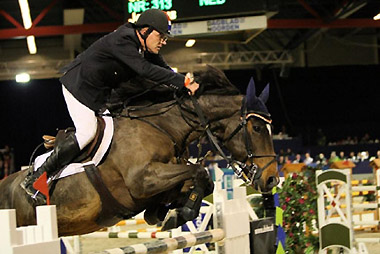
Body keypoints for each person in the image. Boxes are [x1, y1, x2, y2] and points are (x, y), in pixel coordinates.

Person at [20, 9, 199, 200]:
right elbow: (145, 70)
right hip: (78, 88)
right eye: (160, 36)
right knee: (87, 132)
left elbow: (162, 67)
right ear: (146, 30)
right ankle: (36, 178)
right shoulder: (123, 40)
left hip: (99, 95)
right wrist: (182, 81)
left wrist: (182, 83)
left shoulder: (142, 44)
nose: (163, 41)